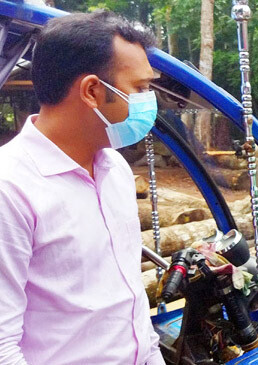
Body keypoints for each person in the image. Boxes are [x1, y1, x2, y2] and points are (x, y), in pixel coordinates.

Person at [0, 11, 164, 364]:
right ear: (92, 90)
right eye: (140, 88)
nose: (149, 101)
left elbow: (132, 303)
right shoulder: (10, 188)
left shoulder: (114, 168)